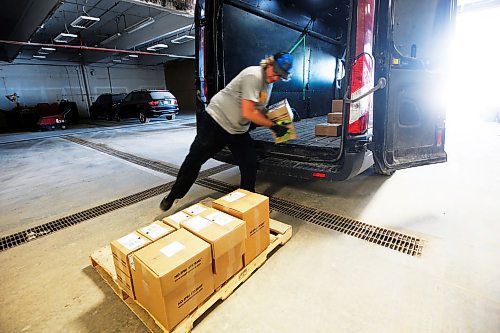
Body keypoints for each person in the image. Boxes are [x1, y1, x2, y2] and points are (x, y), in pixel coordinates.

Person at [160, 52, 293, 211]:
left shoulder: (268, 83)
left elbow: (258, 108)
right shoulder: (254, 76)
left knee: (249, 162)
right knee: (194, 160)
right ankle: (174, 195)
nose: (276, 77)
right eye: (276, 72)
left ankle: (248, 198)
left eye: (281, 76)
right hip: (216, 122)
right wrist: (272, 125)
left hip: (237, 130)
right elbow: (249, 113)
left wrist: (279, 117)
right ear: (269, 64)